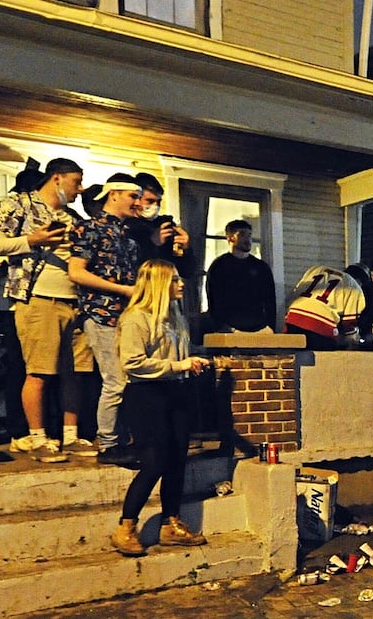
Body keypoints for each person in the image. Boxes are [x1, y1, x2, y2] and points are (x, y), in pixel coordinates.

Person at [0, 156, 94, 462]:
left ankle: (70, 435)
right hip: (38, 297)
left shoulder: (72, 218)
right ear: (56, 177)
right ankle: (37, 437)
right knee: (39, 371)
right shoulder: (17, 204)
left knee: (74, 372)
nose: (80, 189)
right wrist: (33, 239)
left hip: (75, 301)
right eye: (76, 181)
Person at [109, 260, 211, 557]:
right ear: (158, 284)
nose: (181, 284)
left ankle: (171, 523)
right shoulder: (136, 318)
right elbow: (132, 362)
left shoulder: (174, 317)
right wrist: (178, 364)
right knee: (156, 460)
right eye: (175, 279)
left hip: (175, 391)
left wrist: (189, 364)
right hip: (146, 395)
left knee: (178, 459)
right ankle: (125, 526)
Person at [70, 174, 144, 465]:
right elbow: (77, 272)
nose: (138, 203)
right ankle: (108, 442)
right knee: (115, 380)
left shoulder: (127, 235)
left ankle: (124, 439)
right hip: (101, 312)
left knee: (127, 378)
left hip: (125, 316)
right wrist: (122, 289)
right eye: (132, 196)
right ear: (114, 194)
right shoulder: (90, 228)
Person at [205, 220, 276, 333]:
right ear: (230, 238)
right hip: (230, 329)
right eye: (242, 234)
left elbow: (270, 300)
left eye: (249, 235)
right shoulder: (219, 266)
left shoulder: (261, 267)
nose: (247, 239)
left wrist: (271, 326)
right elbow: (214, 300)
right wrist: (220, 326)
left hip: (259, 328)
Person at [284, 264, 366, 349]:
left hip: (293, 319)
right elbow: (349, 325)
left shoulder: (315, 269)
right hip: (320, 328)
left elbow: (294, 294)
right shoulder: (354, 287)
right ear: (360, 282)